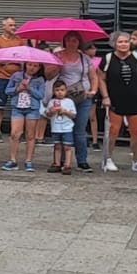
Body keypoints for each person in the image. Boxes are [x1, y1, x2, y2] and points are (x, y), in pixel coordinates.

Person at [98, 33, 137, 172]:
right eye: (120, 42)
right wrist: (105, 96)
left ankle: (136, 160)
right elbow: (101, 78)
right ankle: (108, 159)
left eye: (126, 42)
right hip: (115, 99)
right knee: (113, 130)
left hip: (135, 98)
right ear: (115, 43)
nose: (123, 44)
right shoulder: (108, 58)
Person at [50, 32, 98, 172]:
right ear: (65, 41)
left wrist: (93, 91)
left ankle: (82, 160)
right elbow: (49, 75)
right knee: (63, 128)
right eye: (69, 40)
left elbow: (93, 77)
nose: (72, 43)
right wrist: (57, 66)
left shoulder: (84, 58)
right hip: (63, 98)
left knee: (80, 130)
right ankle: (61, 161)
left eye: (75, 40)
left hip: (82, 97)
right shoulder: (58, 56)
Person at [1, 62, 47, 172]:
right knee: (14, 134)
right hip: (17, 108)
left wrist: (29, 88)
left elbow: (41, 95)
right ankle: (13, 160)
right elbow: (7, 90)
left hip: (32, 108)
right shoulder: (16, 76)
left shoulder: (40, 80)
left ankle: (28, 161)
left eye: (35, 66)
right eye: (30, 65)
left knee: (30, 135)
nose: (32, 67)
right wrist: (18, 88)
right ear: (26, 65)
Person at [0, 17, 22, 138]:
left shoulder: (19, 41)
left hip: (17, 78)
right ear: (4, 27)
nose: (14, 27)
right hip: (1, 77)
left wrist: (8, 59)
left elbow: (23, 57)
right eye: (11, 25)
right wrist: (11, 59)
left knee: (19, 105)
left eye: (14, 25)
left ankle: (17, 131)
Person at [45, 82, 76, 173]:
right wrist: (52, 111)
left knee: (67, 147)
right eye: (57, 90)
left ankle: (67, 165)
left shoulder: (69, 102)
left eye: (62, 90)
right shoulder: (51, 102)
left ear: (66, 91)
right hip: (55, 128)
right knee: (57, 146)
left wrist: (65, 112)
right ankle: (57, 163)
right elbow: (47, 114)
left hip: (67, 128)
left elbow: (73, 115)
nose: (59, 92)